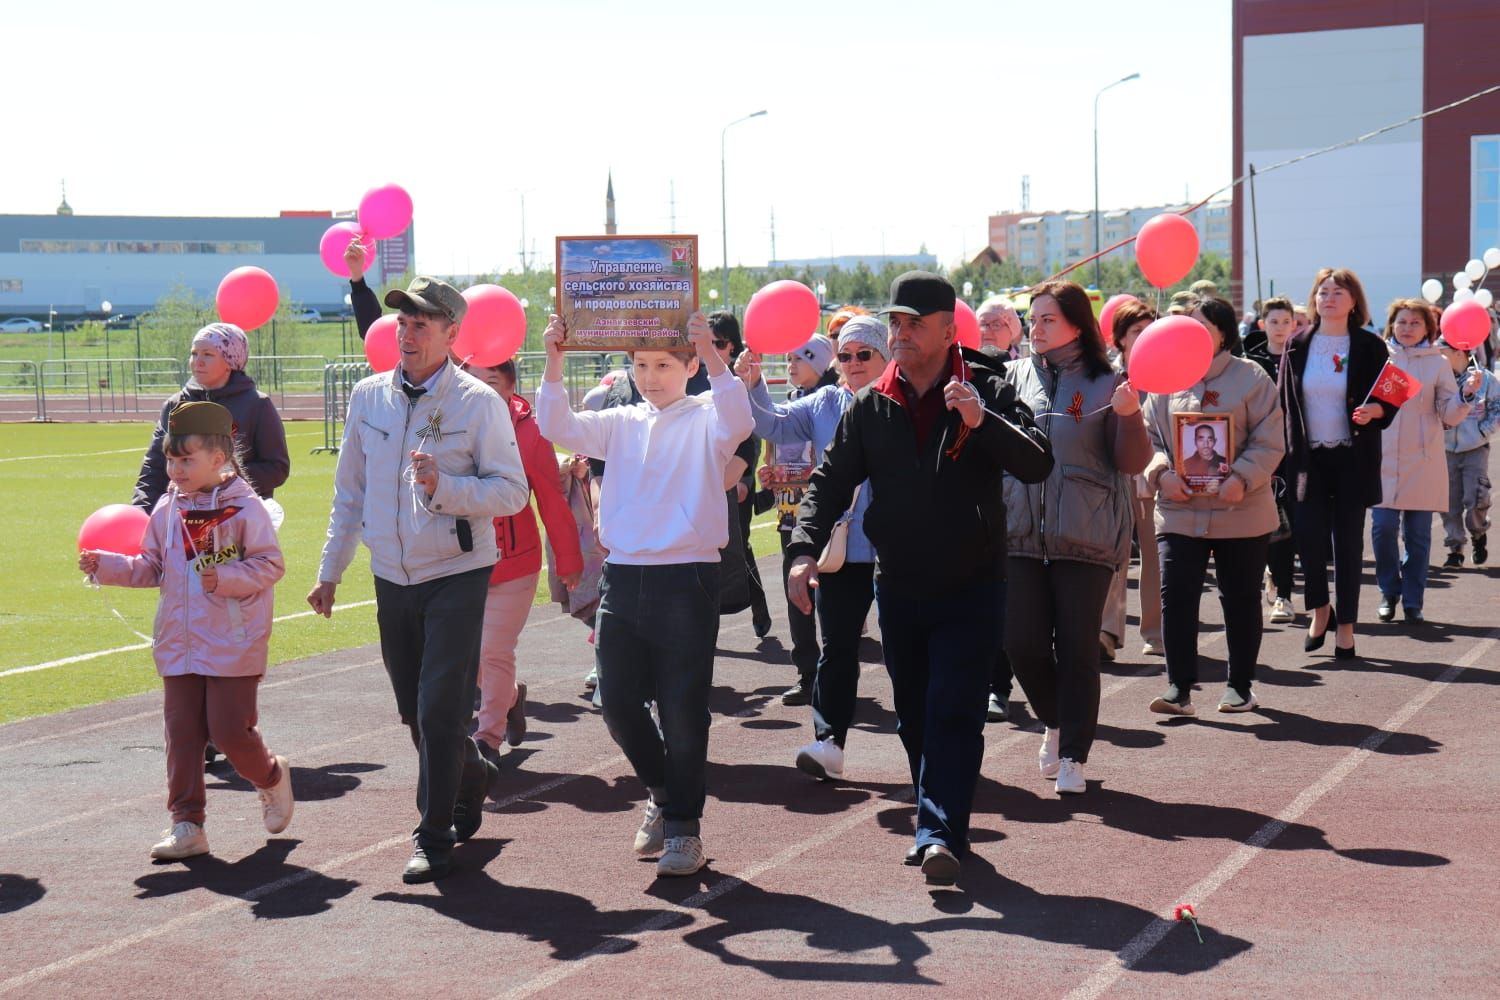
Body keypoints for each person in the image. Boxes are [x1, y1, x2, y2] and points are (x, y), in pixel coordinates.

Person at [787, 271, 1053, 886]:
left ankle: (937, 832)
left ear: (945, 329)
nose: (900, 334)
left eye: (914, 323)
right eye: (895, 323)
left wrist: (983, 420)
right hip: (899, 582)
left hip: (974, 582)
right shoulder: (873, 401)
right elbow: (830, 481)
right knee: (913, 716)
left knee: (953, 708)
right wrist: (803, 550)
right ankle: (940, 820)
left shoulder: (986, 384)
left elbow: (1038, 462)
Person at [308, 276, 530, 884]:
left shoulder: (479, 403)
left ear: (451, 333)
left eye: (421, 324)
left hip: (458, 572)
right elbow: (348, 491)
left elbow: (512, 493)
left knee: (439, 710)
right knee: (413, 710)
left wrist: (445, 487)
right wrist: (330, 572)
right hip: (390, 578)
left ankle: (432, 836)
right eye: (402, 323)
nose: (406, 334)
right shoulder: (368, 397)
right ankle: (473, 772)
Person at [536, 310, 754, 879]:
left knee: (683, 710)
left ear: (688, 368)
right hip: (623, 576)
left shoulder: (710, 415)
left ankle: (684, 830)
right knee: (615, 701)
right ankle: (662, 791)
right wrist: (554, 356)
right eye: (640, 365)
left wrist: (711, 351)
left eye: (663, 364)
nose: (651, 376)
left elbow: (739, 417)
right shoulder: (619, 420)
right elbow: (554, 423)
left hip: (688, 577)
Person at [83, 401, 292, 860]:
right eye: (170, 460)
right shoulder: (166, 506)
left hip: (232, 642)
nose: (174, 470)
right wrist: (109, 567)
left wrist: (229, 578)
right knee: (181, 736)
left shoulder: (243, 507)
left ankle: (272, 776)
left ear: (218, 459)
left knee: (231, 733)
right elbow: (153, 566)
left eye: (186, 460)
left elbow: (271, 563)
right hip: (178, 643)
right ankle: (187, 824)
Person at [1003, 281, 1151, 796]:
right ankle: (1057, 720)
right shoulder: (1011, 377)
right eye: (1033, 318)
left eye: (1048, 319)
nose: (1036, 328)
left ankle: (1073, 757)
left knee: (1077, 648)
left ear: (1076, 324)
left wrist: (1130, 416)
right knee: (1020, 643)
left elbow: (1132, 462)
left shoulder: (1108, 380)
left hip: (1086, 536)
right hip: (1019, 533)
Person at [736, 316, 889, 776]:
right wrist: (755, 382)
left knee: (908, 651)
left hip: (898, 550)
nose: (854, 363)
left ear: (886, 356)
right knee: (837, 648)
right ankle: (829, 741)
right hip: (840, 550)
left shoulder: (904, 401)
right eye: (845, 355)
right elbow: (773, 426)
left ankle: (928, 748)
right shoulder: (824, 402)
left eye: (865, 354)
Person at [1144, 296, 1285, 716]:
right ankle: (1178, 687)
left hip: (1241, 512)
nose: (1191, 330)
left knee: (1240, 599)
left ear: (1223, 332)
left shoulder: (1252, 378)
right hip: (1178, 510)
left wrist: (1242, 477)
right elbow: (1148, 436)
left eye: (1201, 323)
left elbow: (1270, 439)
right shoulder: (1165, 377)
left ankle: (1239, 686)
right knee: (1177, 597)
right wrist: (1160, 472)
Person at [462, 359, 584, 764]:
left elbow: (550, 497)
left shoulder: (530, 431)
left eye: (491, 382)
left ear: (511, 387)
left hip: (514, 562)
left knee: (494, 649)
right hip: (455, 562)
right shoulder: (442, 420)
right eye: (472, 380)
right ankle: (511, 696)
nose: (480, 390)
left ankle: (487, 739)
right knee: (465, 652)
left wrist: (568, 559)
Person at [1281, 267, 1396, 660]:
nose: (1328, 298)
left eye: (1338, 292)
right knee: (1309, 542)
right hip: (1306, 459)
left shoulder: (1370, 345)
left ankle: (1345, 627)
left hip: (1353, 458)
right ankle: (1320, 609)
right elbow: (1285, 404)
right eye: (1323, 292)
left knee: (1347, 545)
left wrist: (1377, 409)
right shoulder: (1297, 342)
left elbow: (1392, 395)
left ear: (1353, 302)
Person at [744, 331, 840, 707]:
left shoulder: (835, 405)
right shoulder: (790, 403)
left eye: (799, 359)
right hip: (790, 516)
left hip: (829, 516)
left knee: (831, 598)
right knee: (796, 592)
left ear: (818, 361)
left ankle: (834, 669)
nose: (791, 365)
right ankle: (807, 672)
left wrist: (807, 473)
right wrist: (771, 478)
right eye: (789, 359)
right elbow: (774, 448)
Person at [1370, 301, 1471, 624]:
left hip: (1423, 460)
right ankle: (1388, 591)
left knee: (1418, 536)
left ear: (1428, 328)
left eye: (1415, 322)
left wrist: (1465, 396)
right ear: (1392, 325)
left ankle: (1413, 600)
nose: (1408, 327)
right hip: (1383, 459)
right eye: (1402, 322)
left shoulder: (1437, 364)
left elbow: (1449, 414)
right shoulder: (1378, 357)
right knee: (1382, 529)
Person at [132, 323, 290, 511]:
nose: (197, 361)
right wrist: (140, 512)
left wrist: (219, 481)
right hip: (182, 517)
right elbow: (154, 468)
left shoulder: (257, 405)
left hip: (238, 518)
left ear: (230, 361)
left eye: (207, 354)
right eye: (194, 353)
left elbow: (276, 468)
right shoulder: (175, 405)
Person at [1101, 300, 1165, 658]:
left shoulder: (1167, 374)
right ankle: (1107, 631)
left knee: (1154, 554)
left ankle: (1155, 632)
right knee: (1113, 552)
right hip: (1112, 473)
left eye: (1148, 330)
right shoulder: (1107, 376)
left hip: (1153, 473)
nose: (1144, 338)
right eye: (1137, 332)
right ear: (1122, 339)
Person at [708, 311, 774, 637]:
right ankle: (705, 623)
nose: (711, 349)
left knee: (740, 545)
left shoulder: (741, 380)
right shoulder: (696, 376)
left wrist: (746, 480)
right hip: (706, 479)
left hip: (736, 481)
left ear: (731, 345)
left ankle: (758, 607)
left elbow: (753, 435)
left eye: (717, 343)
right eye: (705, 343)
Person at [1246, 296, 1299, 623]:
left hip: (1295, 455)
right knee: (1260, 526)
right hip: (1258, 453)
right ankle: (1267, 574)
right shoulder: (1249, 361)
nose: (1280, 328)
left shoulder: (1301, 358)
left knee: (1289, 527)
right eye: (1274, 322)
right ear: (1263, 324)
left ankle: (1284, 596)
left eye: (1286, 322)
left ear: (1295, 324)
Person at [1439, 337, 1500, 567]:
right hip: (1444, 450)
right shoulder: (1439, 379)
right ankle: (1455, 548)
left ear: (1458, 353)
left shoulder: (1483, 378)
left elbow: (1497, 406)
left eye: (1442, 351)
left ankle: (1478, 533)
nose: (1438, 356)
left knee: (1475, 498)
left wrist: (1482, 431)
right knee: (1448, 501)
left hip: (1475, 448)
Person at [977, 296, 1025, 360]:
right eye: (982, 324)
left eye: (996, 325)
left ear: (1011, 331)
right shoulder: (965, 366)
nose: (986, 331)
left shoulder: (1021, 368)